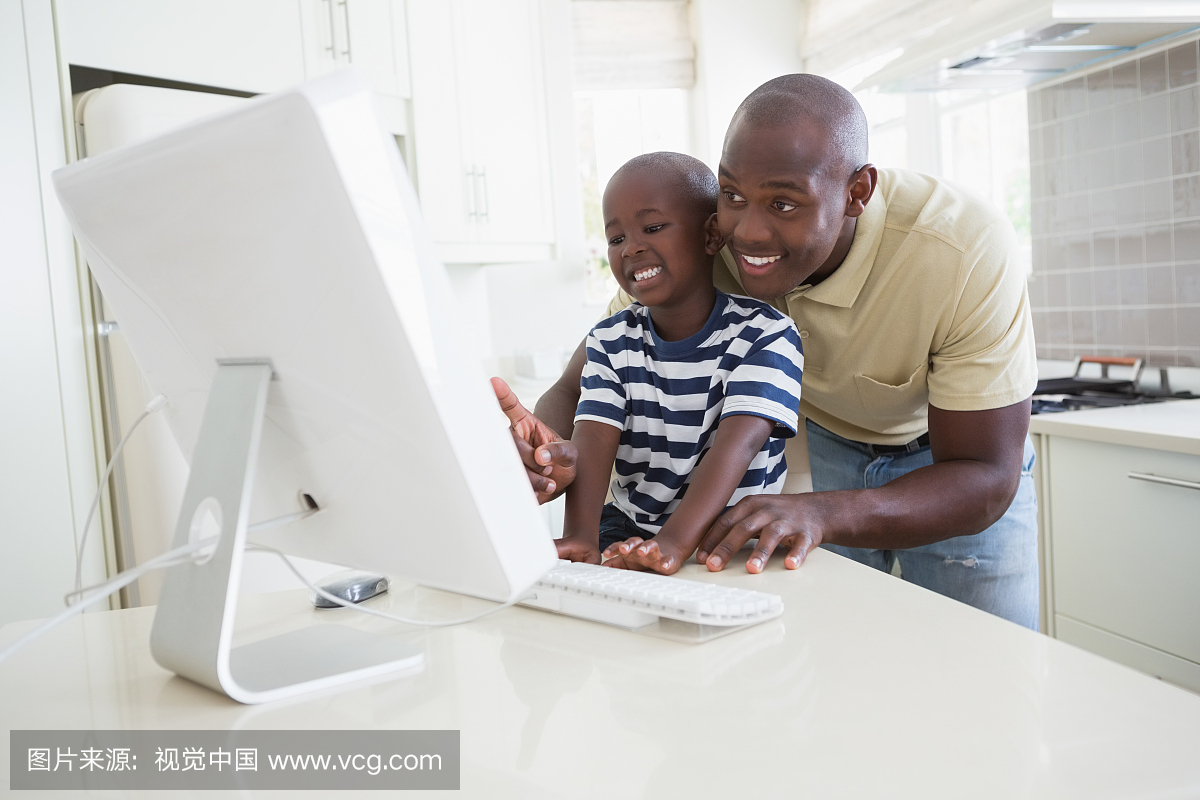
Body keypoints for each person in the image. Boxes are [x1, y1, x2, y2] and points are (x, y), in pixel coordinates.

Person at [494, 74, 1040, 629]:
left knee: (985, 657)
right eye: (732, 195)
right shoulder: (699, 244)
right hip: (825, 444)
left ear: (857, 192)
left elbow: (985, 475)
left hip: (949, 464)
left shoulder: (961, 249)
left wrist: (823, 511)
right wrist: (548, 451)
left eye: (783, 203)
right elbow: (583, 380)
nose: (748, 233)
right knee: (845, 650)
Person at [539, 152, 803, 575]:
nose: (631, 247)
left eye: (653, 228)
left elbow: (737, 447)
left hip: (731, 538)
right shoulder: (609, 340)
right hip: (629, 527)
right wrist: (582, 536)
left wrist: (673, 544)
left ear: (711, 235)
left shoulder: (767, 334)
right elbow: (594, 437)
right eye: (616, 238)